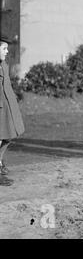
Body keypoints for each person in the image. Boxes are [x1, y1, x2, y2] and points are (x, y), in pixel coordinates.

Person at [0, 36, 25, 186]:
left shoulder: (4, 64)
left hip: (8, 105)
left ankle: (0, 161)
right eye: (4, 48)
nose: (7, 51)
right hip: (0, 107)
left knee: (9, 136)